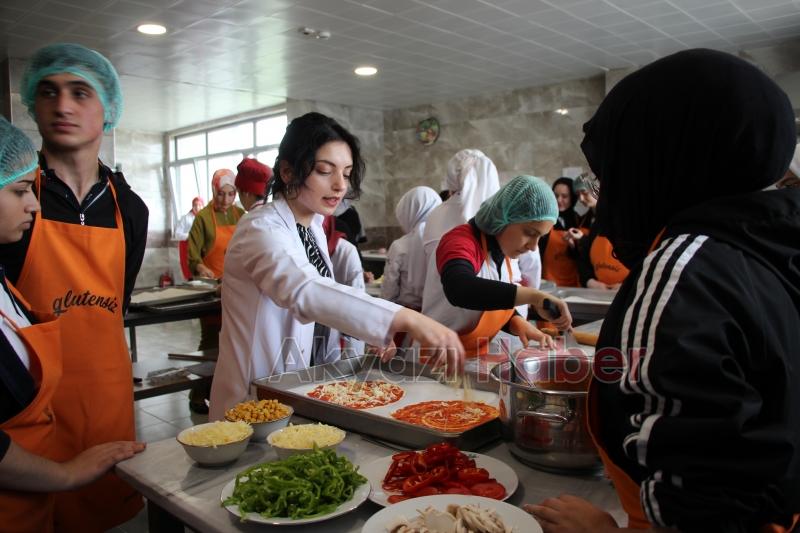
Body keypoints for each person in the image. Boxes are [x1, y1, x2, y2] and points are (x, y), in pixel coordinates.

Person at [526, 48, 800, 532]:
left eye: (609, 171)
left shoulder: (682, 271)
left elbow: (704, 512)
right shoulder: (770, 243)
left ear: (659, 159)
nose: (604, 193)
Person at [208, 112, 465, 420]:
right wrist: (404, 318)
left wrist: (368, 331)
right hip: (252, 394)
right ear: (288, 172)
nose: (339, 185)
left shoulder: (314, 227)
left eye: (346, 173)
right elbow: (304, 291)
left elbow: (322, 306)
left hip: (296, 387)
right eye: (324, 171)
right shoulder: (259, 229)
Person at [0, 43, 149, 531]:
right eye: (48, 92)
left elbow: (116, 305)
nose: (62, 106)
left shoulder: (130, 208)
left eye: (80, 93)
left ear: (108, 110)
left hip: (106, 398)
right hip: (27, 409)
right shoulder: (14, 202)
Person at [423, 175, 573, 358]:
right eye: (529, 233)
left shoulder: (505, 250)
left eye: (540, 237)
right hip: (435, 360)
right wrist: (534, 297)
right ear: (505, 217)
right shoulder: (459, 241)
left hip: (474, 356)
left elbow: (489, 297)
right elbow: (460, 288)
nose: (533, 246)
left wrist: (516, 321)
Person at [382, 186, 441, 310]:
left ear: (408, 212)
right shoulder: (444, 242)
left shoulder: (399, 246)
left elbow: (389, 291)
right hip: (437, 317)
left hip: (406, 318)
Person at [571, 174, 629, 290]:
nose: (581, 199)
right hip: (599, 291)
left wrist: (627, 285)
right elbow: (584, 260)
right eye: (578, 195)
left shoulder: (626, 222)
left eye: (585, 192)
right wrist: (590, 281)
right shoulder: (596, 224)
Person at [188, 168, 245, 280]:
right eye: (220, 194)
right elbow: (192, 254)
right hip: (212, 282)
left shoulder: (241, 215)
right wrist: (201, 268)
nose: (226, 200)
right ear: (214, 190)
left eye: (231, 194)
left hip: (238, 281)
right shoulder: (203, 217)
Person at [322, 214, 366, 356]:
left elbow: (357, 305)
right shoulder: (297, 245)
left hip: (335, 335)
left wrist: (354, 357)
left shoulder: (346, 251)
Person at [539, 177, 581, 287]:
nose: (559, 200)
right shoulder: (545, 220)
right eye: (556, 195)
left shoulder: (579, 221)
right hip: (549, 282)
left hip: (574, 284)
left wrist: (573, 247)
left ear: (573, 198)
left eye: (564, 196)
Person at [173, 196, 203, 280]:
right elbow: (177, 234)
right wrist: (190, 236)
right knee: (189, 269)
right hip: (187, 247)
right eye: (195, 205)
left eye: (200, 205)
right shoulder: (186, 218)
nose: (197, 207)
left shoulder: (204, 218)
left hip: (200, 247)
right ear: (192, 206)